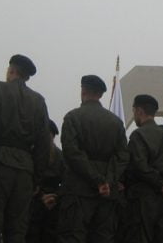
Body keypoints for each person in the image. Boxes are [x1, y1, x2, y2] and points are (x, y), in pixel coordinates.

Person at [0, 54, 51, 243]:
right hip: (24, 172)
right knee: (17, 230)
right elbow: (43, 144)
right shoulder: (38, 101)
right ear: (27, 77)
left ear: (11, 71)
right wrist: (36, 177)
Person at [57, 75, 129, 243]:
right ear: (101, 95)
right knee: (103, 237)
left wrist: (97, 180)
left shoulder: (72, 118)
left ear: (83, 90)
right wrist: (107, 181)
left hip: (78, 191)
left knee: (73, 236)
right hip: (107, 195)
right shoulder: (116, 123)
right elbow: (123, 156)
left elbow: (71, 153)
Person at [124, 94, 163, 243]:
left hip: (142, 201)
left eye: (134, 111)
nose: (134, 116)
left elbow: (140, 167)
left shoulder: (138, 135)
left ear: (140, 111)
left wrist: (162, 187)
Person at [26, 120, 65, 243]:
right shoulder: (60, 155)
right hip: (51, 203)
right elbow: (67, 181)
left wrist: (43, 196)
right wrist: (54, 196)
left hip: (35, 203)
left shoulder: (31, 154)